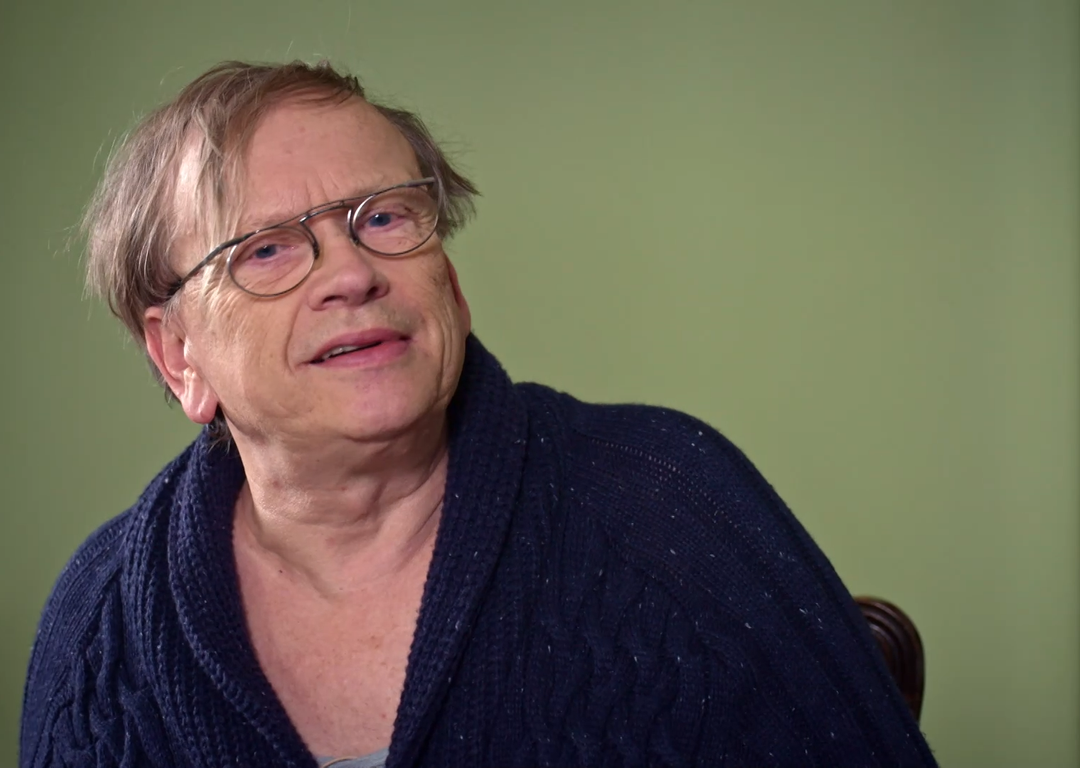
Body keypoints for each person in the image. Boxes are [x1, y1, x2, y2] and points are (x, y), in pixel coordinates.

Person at [20, 60, 936, 768]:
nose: (352, 273)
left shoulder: (675, 504)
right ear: (179, 355)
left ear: (448, 286)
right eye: (265, 250)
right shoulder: (101, 621)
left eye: (384, 218)